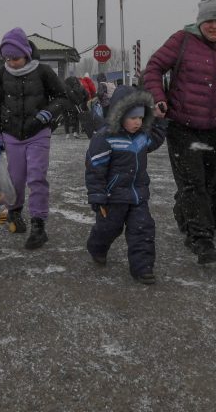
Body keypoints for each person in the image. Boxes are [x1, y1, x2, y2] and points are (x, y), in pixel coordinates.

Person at [143, 0, 216, 265]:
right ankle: (201, 239)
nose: (214, 26)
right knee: (193, 183)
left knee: (205, 183)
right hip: (183, 127)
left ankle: (184, 212)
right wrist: (159, 98)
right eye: (209, 21)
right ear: (200, 21)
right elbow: (153, 68)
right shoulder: (181, 41)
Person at [0, 27, 67, 249]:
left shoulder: (43, 71)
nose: (11, 62)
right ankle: (14, 213)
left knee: (36, 177)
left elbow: (63, 97)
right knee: (16, 178)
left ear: (26, 53)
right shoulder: (2, 74)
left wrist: (48, 113)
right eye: (7, 58)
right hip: (11, 134)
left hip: (38, 133)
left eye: (15, 58)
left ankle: (39, 225)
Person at [85, 86, 167, 285]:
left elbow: (154, 139)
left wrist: (160, 120)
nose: (138, 122)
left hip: (138, 195)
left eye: (141, 117)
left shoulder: (141, 135)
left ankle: (143, 268)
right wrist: (97, 196)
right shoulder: (105, 137)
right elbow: (95, 169)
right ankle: (97, 247)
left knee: (143, 229)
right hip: (113, 197)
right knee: (108, 228)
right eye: (133, 118)